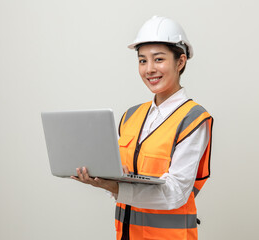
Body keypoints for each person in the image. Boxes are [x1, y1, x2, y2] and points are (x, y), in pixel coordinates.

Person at [71, 16, 213, 240]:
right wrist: (105, 176)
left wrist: (116, 188)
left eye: (158, 59)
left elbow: (175, 193)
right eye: (142, 61)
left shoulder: (193, 119)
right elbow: (127, 174)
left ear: (180, 61)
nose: (149, 69)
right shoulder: (131, 116)